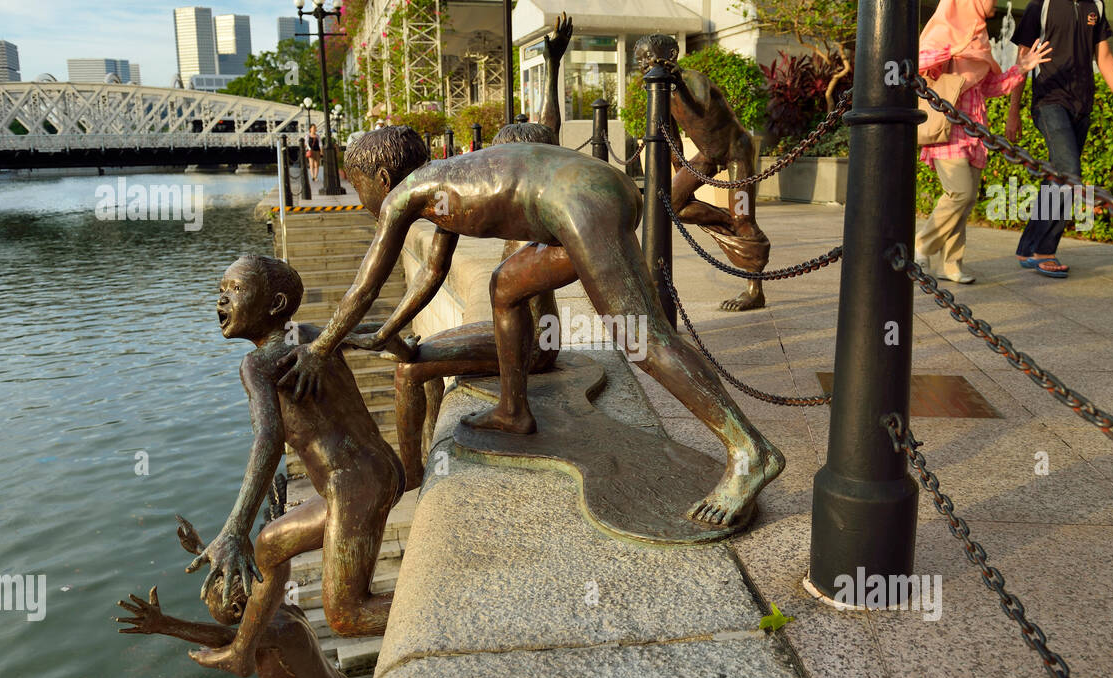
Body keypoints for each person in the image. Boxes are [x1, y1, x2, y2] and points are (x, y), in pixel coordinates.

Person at [277, 128, 784, 527]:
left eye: (356, 182)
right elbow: (429, 278)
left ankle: (749, 451)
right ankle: (514, 410)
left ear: (382, 176)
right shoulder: (439, 188)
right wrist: (386, 332)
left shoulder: (405, 195)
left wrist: (321, 348)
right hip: (594, 188)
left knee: (642, 340)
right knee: (504, 288)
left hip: (580, 201)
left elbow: (365, 283)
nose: (357, 192)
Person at [183, 255, 404, 678]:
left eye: (233, 290)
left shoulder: (258, 363)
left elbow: (267, 441)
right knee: (269, 546)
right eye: (220, 290)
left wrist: (234, 528)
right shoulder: (310, 335)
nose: (220, 302)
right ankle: (242, 651)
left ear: (275, 303)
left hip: (352, 486)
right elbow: (376, 339)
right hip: (378, 472)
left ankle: (451, 603)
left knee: (346, 615)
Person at [387, 13, 573, 489]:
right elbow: (550, 126)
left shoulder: (514, 209)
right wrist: (552, 67)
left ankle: (411, 477)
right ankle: (425, 453)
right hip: (541, 340)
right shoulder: (542, 190)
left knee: (411, 366)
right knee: (421, 353)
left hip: (534, 349)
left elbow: (434, 273)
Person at [114, 519, 361, 678]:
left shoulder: (275, 630)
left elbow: (227, 639)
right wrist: (201, 549)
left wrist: (165, 625)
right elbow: (242, 573)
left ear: (234, 608)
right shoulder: (278, 605)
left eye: (211, 604)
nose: (208, 607)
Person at [1008, 0, 1113, 278]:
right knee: (1069, 171)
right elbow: (1022, 59)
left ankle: (1028, 248)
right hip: (1049, 99)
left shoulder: (1096, 5)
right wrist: (1013, 110)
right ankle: (1045, 249)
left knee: (1056, 178)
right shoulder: (1041, 4)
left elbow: (1105, 56)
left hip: (1083, 102)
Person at [917, 0, 1052, 284]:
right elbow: (922, 67)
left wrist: (1022, 68)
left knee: (966, 202)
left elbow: (989, 86)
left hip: (974, 132)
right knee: (959, 194)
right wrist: (955, 48)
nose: (995, 0)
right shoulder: (944, 33)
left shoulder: (979, 39)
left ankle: (950, 264)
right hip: (947, 130)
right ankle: (922, 245)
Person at [634, 34, 769, 311]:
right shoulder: (661, 92)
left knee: (746, 222)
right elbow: (669, 135)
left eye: (649, 57)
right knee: (669, 204)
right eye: (640, 60)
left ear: (670, 56)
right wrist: (679, 173)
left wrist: (679, 83)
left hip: (736, 152)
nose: (644, 64)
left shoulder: (692, 80)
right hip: (706, 156)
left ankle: (755, 290)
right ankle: (729, 222)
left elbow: (701, 106)